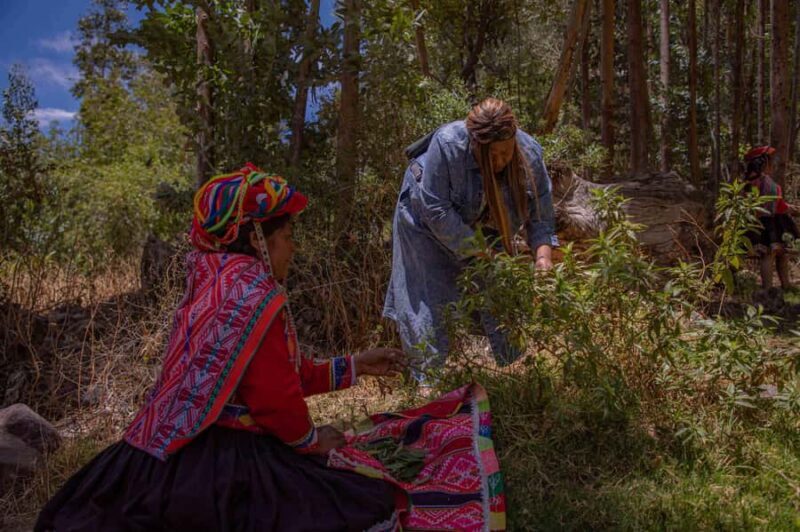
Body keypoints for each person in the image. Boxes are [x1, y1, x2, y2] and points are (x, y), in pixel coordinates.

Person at [35, 164, 406, 531]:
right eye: (288, 235)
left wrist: (357, 365)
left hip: (158, 451)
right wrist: (311, 441)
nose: (293, 247)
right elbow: (274, 397)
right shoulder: (254, 296)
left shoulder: (213, 280)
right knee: (364, 503)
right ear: (259, 239)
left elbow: (283, 373)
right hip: (224, 457)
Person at [384, 98, 558, 377]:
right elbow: (437, 211)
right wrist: (486, 254)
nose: (501, 162)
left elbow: (541, 216)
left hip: (481, 221)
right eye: (493, 156)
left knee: (500, 288)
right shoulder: (448, 144)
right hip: (423, 218)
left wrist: (543, 259)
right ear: (476, 146)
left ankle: (517, 373)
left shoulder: (530, 154)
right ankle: (429, 381)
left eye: (506, 153)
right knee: (428, 297)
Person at [743, 146, 798, 290]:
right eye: (769, 162)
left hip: (763, 222)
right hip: (766, 224)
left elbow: (775, 203)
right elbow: (774, 204)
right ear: (762, 163)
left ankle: (785, 285)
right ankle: (769, 288)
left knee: (780, 254)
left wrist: (788, 207)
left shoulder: (751, 181)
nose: (772, 165)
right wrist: (789, 208)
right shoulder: (763, 182)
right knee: (768, 254)